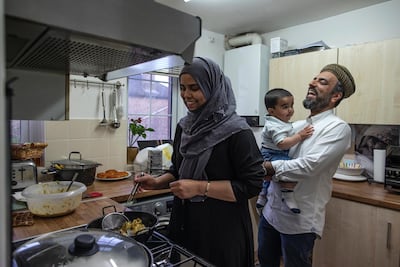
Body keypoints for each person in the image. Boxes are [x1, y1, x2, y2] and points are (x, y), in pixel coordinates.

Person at [134, 57, 264, 267]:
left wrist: (200, 187)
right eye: (183, 88)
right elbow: (178, 170)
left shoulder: (238, 132)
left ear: (213, 87)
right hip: (185, 222)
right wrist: (158, 182)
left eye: (194, 88)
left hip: (222, 231)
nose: (186, 95)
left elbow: (251, 185)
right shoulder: (185, 127)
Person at [258, 64, 356, 267]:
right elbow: (271, 145)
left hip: (299, 223)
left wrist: (269, 168)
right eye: (314, 78)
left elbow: (309, 166)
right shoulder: (297, 125)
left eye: (322, 82)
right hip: (271, 213)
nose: (312, 83)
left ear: (335, 96)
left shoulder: (337, 128)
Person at [256, 88, 313, 214]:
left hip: (270, 153)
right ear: (271, 111)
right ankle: (288, 195)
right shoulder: (274, 126)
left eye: (292, 105)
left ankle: (262, 196)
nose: (290, 110)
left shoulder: (280, 122)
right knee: (290, 170)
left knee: (267, 179)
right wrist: (300, 136)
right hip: (272, 154)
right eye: (285, 107)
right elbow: (282, 144)